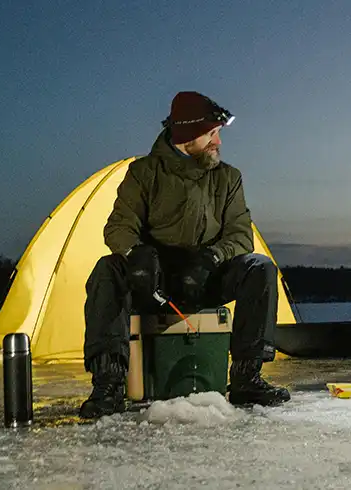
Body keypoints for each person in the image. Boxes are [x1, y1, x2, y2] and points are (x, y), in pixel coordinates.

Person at [79, 91, 291, 418]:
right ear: (187, 136)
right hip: (155, 283)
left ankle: (248, 376)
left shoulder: (227, 178)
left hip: (204, 278)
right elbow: (118, 226)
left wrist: (211, 258)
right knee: (107, 270)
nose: (218, 142)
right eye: (211, 134)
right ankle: (109, 384)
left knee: (259, 268)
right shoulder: (143, 173)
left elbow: (240, 234)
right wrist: (137, 255)